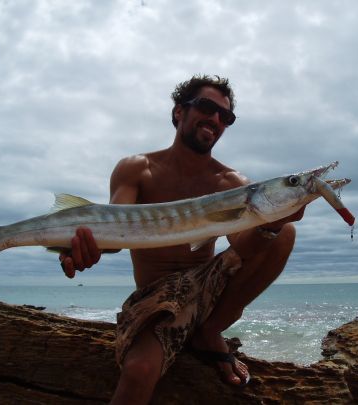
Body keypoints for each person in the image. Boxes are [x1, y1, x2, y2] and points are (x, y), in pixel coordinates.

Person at [59, 75, 305, 404]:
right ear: (178, 112)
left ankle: (210, 331)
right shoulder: (136, 169)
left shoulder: (230, 183)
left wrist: (272, 225)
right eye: (207, 107)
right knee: (138, 372)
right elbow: (115, 232)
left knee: (284, 232)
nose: (216, 120)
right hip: (155, 298)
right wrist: (81, 248)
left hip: (208, 291)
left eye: (226, 117)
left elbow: (242, 246)